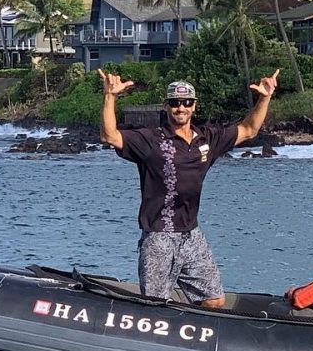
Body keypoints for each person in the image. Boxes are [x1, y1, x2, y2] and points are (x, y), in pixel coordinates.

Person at [98, 68, 280, 308]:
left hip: (191, 235)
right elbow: (109, 136)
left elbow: (249, 129)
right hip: (158, 237)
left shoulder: (207, 139)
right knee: (154, 308)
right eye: (175, 102)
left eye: (186, 102)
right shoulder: (151, 140)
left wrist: (265, 97)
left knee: (214, 300)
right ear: (166, 106)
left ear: (194, 106)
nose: (180, 108)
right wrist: (110, 96)